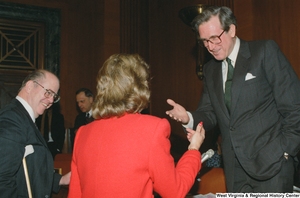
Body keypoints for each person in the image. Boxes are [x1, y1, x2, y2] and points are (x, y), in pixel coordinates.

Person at [166, 6, 300, 193]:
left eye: (214, 38)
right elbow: (210, 112)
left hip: (272, 166)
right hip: (234, 170)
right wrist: (188, 117)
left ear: (232, 30)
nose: (211, 46)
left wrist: (285, 152)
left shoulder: (264, 51)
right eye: (205, 41)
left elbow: (295, 108)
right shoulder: (210, 70)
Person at [68, 54, 206, 198]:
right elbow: (174, 191)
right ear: (140, 87)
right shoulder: (152, 129)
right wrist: (193, 150)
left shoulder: (83, 133)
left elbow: (75, 194)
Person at [0, 69, 70, 197]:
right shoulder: (12, 120)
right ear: (30, 86)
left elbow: (29, 165)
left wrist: (60, 180)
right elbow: (2, 178)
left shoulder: (23, 118)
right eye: (48, 92)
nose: (50, 101)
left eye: (54, 96)